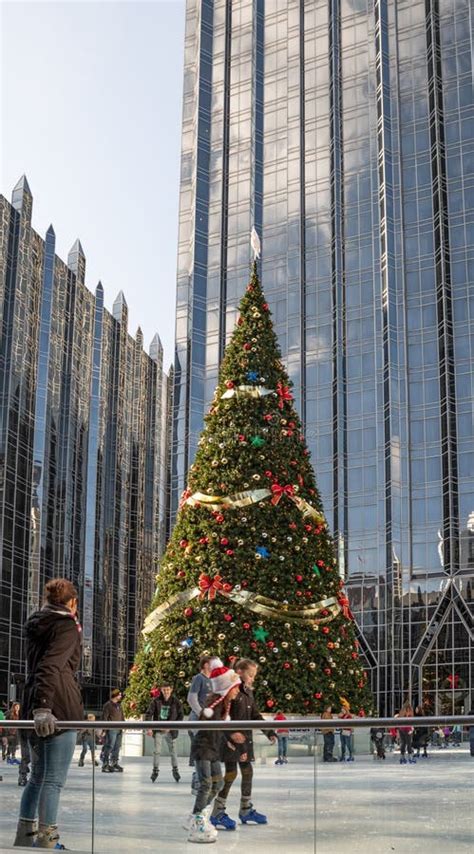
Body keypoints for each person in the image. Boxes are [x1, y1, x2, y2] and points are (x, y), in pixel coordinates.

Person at [13, 577, 83, 849]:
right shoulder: (66, 625)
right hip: (58, 707)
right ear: (72, 602)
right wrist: (45, 706)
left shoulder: (37, 621)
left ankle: (25, 835)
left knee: (38, 777)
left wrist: (37, 705)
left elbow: (40, 666)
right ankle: (47, 840)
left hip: (33, 703)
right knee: (53, 780)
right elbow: (50, 666)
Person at [210, 658, 276, 829]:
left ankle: (245, 809)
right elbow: (220, 717)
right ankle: (218, 811)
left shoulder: (247, 692)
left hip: (244, 741)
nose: (253, 678)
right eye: (251, 675)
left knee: (247, 772)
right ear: (239, 672)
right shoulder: (231, 691)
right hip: (231, 742)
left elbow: (255, 715)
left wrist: (269, 732)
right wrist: (229, 736)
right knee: (231, 774)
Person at [185, 658, 245, 843]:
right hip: (203, 749)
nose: (237, 691)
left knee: (217, 784)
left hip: (213, 749)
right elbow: (206, 718)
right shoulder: (214, 705)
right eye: (235, 687)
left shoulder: (224, 706)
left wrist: (229, 738)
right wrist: (229, 734)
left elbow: (220, 727)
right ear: (227, 688)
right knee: (206, 785)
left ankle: (200, 815)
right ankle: (196, 821)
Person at [146, 683, 183, 782]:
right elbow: (149, 714)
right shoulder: (156, 701)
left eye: (167, 690)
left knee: (173, 752)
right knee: (157, 751)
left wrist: (171, 727)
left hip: (171, 731)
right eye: (164, 690)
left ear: (171, 690)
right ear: (161, 690)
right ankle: (155, 770)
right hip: (158, 730)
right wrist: (149, 728)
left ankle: (175, 770)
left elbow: (180, 716)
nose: (166, 692)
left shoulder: (176, 702)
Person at [187, 655, 212, 794]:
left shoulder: (212, 680)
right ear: (204, 665)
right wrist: (200, 713)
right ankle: (197, 783)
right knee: (201, 752)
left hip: (207, 722)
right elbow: (191, 698)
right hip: (197, 721)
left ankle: (200, 780)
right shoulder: (199, 678)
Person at [102, 688, 125, 773]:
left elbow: (122, 717)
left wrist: (124, 725)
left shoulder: (119, 705)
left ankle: (114, 763)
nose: (121, 696)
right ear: (115, 695)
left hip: (119, 729)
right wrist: (104, 730)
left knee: (117, 747)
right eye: (119, 694)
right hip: (111, 729)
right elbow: (104, 718)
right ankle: (105, 764)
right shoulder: (107, 705)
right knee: (109, 746)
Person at [397, 700, 415, 765]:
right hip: (406, 729)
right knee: (408, 743)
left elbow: (399, 719)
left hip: (402, 729)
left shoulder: (402, 711)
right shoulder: (409, 711)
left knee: (404, 743)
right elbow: (412, 720)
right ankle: (409, 758)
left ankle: (402, 757)